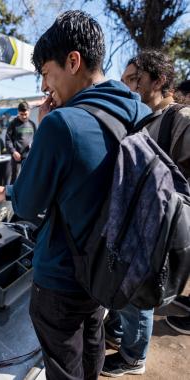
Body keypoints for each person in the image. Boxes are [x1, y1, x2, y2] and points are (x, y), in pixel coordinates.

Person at [0, 11, 150, 380]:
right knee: (93, 345)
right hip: (112, 267)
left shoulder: (60, 123)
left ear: (73, 61)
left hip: (62, 275)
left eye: (45, 72)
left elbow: (26, 205)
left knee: (64, 366)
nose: (44, 86)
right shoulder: (141, 112)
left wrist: (41, 130)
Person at [102, 50, 190, 376]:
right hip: (131, 227)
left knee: (141, 297)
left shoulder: (179, 118)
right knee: (126, 290)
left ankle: (134, 358)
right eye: (124, 81)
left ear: (160, 80)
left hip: (157, 233)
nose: (128, 87)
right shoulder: (141, 117)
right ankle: (121, 334)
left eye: (134, 79)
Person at [5, 101, 36, 183]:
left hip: (29, 157)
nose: (24, 116)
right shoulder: (13, 124)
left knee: (29, 179)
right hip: (17, 157)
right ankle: (13, 195)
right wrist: (13, 152)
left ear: (29, 112)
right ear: (18, 112)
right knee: (15, 179)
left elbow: (36, 139)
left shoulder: (32, 124)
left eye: (26, 114)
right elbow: (8, 140)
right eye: (21, 114)